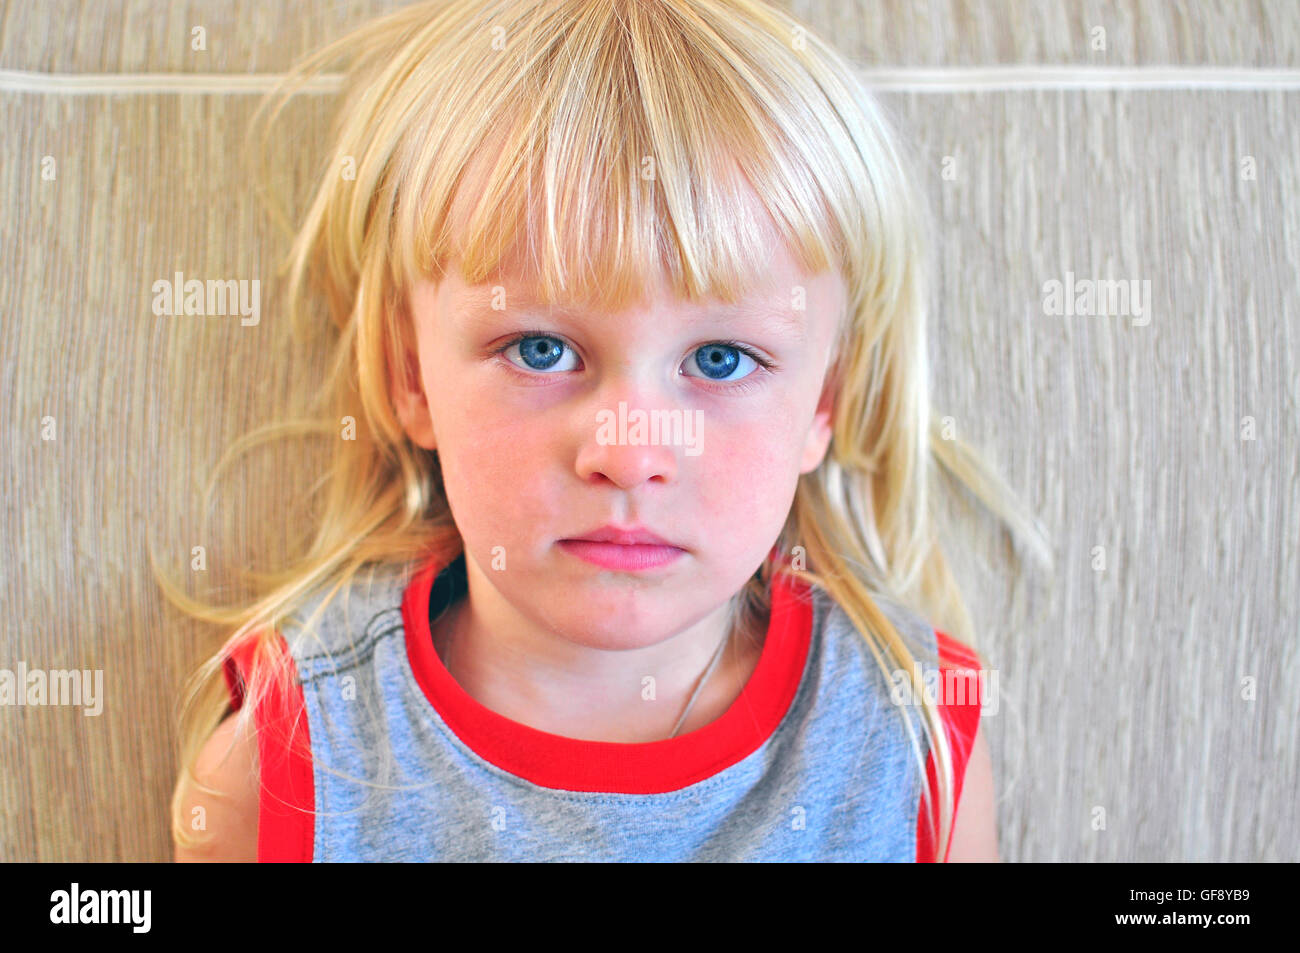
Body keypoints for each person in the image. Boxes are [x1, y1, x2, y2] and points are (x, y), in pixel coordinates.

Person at [165, 0, 1049, 862]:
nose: (628, 451)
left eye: (720, 361)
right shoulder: (291, 764)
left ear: (825, 402)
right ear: (409, 374)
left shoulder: (911, 739)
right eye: (541, 349)